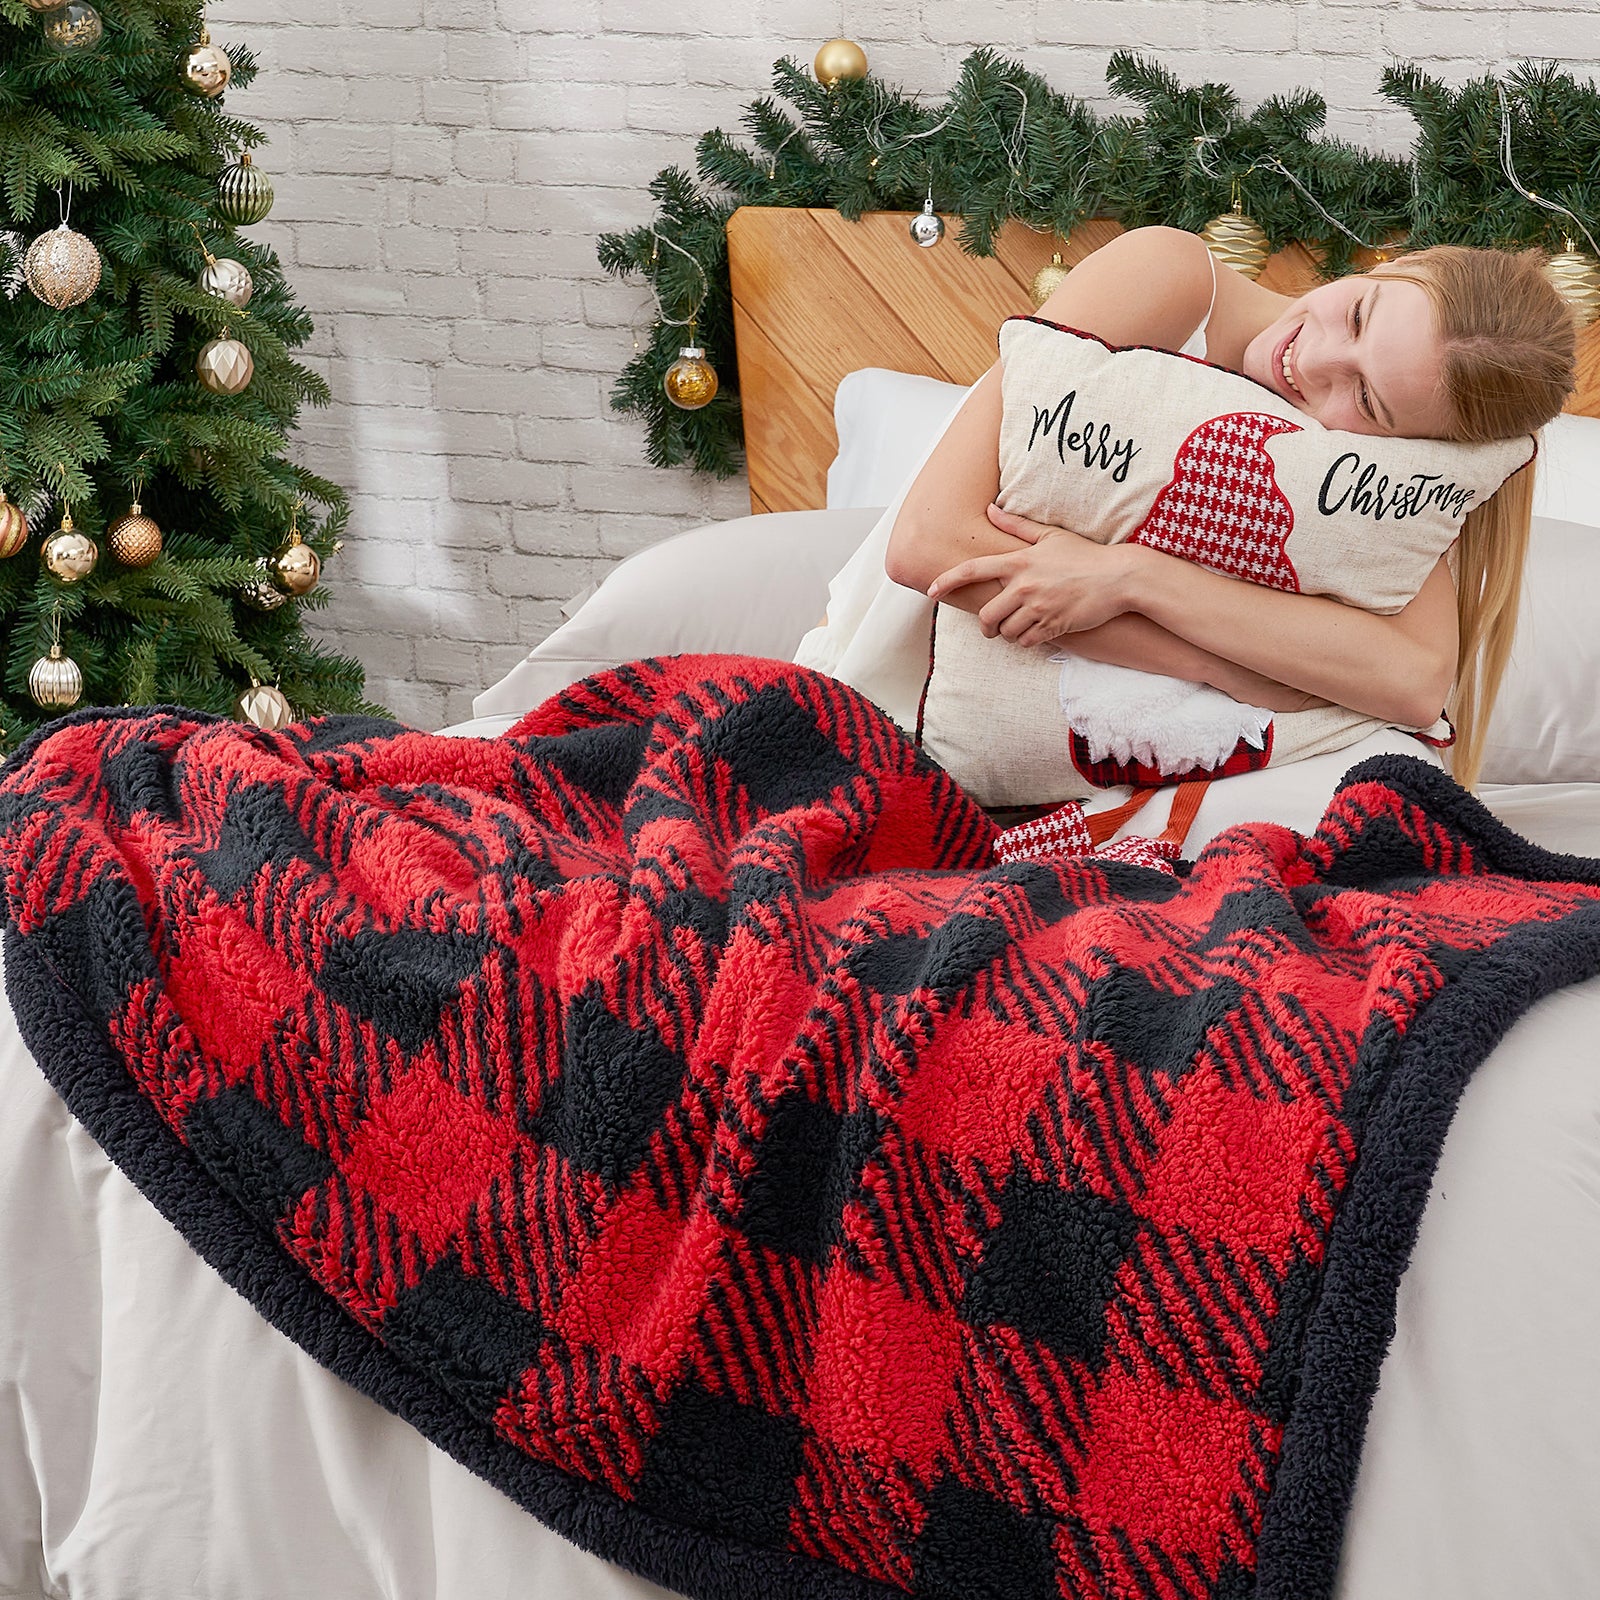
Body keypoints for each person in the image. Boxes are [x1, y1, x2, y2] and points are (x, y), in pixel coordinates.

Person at [799, 226, 1577, 790]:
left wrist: (1133, 578)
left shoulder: (1381, 469)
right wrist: (1213, 664)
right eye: (1359, 315)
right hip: (895, 698)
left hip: (1138, 780)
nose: (1313, 360)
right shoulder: (1170, 280)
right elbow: (929, 543)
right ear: (1398, 264)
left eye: (1367, 400)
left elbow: (1414, 680)